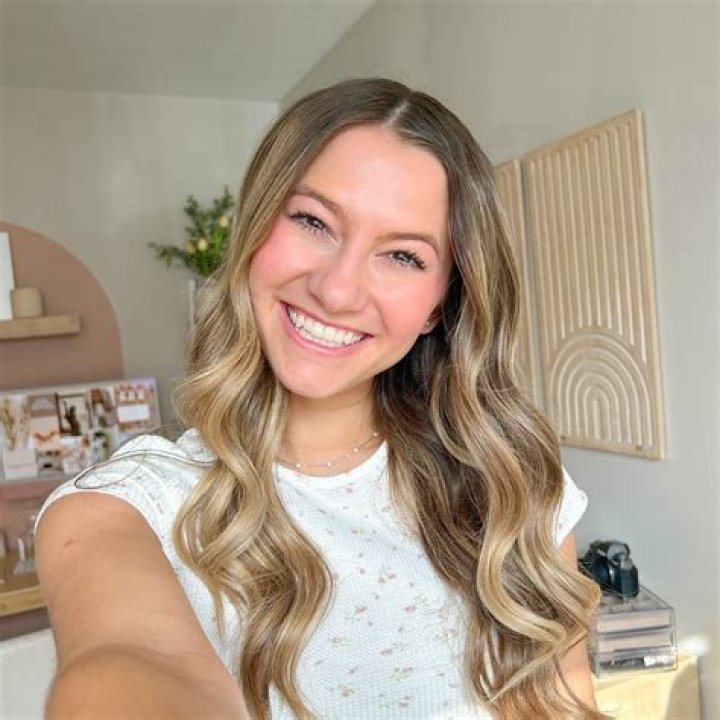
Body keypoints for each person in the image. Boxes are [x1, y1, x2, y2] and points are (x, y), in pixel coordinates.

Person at [36, 78, 604, 719]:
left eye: (403, 257)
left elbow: (560, 702)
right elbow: (129, 662)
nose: (337, 291)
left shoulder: (513, 488)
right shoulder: (123, 507)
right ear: (254, 231)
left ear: (438, 307)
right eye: (312, 221)